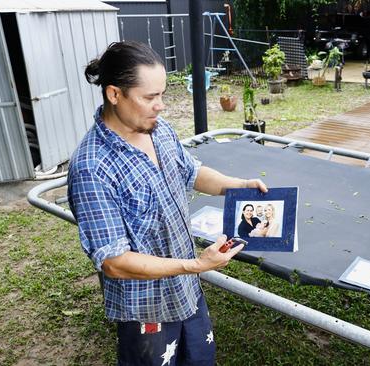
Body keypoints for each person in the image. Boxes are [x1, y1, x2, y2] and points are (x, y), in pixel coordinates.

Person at [67, 41, 267, 366]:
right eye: (149, 97)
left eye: (162, 94)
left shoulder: (158, 130)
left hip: (186, 291)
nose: (160, 106)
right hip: (145, 308)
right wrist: (196, 265)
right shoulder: (92, 166)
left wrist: (239, 186)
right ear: (114, 94)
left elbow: (193, 172)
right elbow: (114, 262)